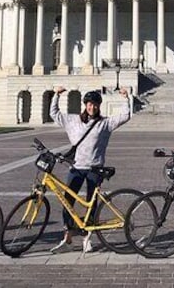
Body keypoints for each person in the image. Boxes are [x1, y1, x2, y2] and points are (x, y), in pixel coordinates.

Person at [50, 86, 130, 253]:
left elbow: (125, 116)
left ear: (98, 106)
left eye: (94, 105)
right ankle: (68, 236)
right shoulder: (73, 120)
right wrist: (56, 95)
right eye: (89, 104)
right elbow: (55, 114)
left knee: (91, 204)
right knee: (67, 202)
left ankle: (87, 238)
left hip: (95, 169)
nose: (91, 107)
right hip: (76, 168)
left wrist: (125, 99)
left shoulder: (104, 124)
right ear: (85, 105)